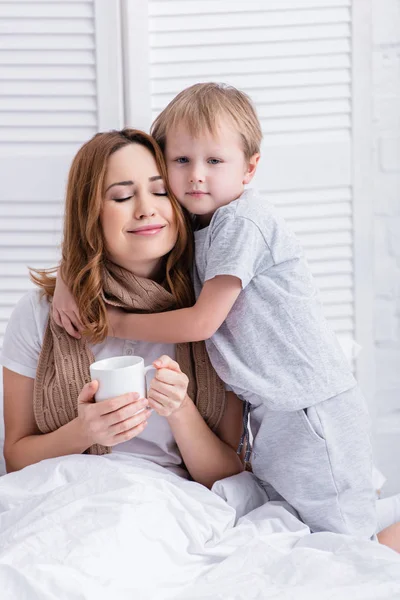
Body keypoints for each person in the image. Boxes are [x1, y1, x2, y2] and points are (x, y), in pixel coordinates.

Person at [52, 85, 397, 544]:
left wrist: (110, 322)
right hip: (272, 410)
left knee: (344, 539)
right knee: (298, 528)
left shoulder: (241, 221)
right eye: (181, 161)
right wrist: (65, 278)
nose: (196, 176)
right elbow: (98, 236)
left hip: (311, 407)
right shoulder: (198, 225)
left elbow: (201, 323)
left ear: (250, 167)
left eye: (214, 162)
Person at [0, 128, 245, 490]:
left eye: (161, 191)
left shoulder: (212, 310)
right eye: (123, 196)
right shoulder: (41, 313)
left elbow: (229, 475)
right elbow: (16, 459)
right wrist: (83, 431)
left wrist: (180, 410)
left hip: (173, 504)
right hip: (67, 498)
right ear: (90, 212)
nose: (147, 209)